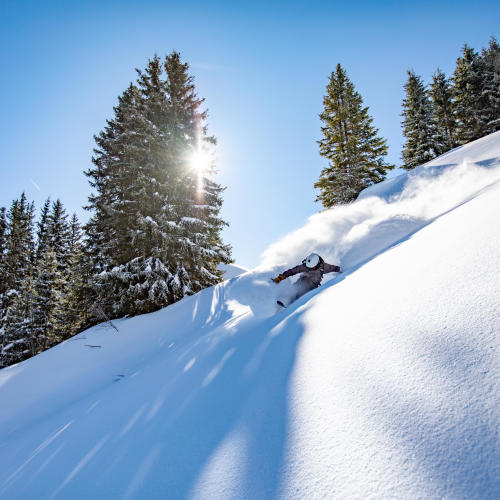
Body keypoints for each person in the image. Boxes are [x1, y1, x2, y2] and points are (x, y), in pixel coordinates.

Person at [272, 253, 341, 306]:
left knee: (303, 296)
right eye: (309, 267)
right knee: (295, 290)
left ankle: (294, 306)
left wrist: (341, 270)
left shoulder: (324, 267)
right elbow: (292, 271)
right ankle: (284, 301)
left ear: (317, 263)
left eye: (313, 267)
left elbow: (334, 268)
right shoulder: (305, 266)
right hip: (302, 282)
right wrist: (281, 277)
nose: (311, 268)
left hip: (312, 288)